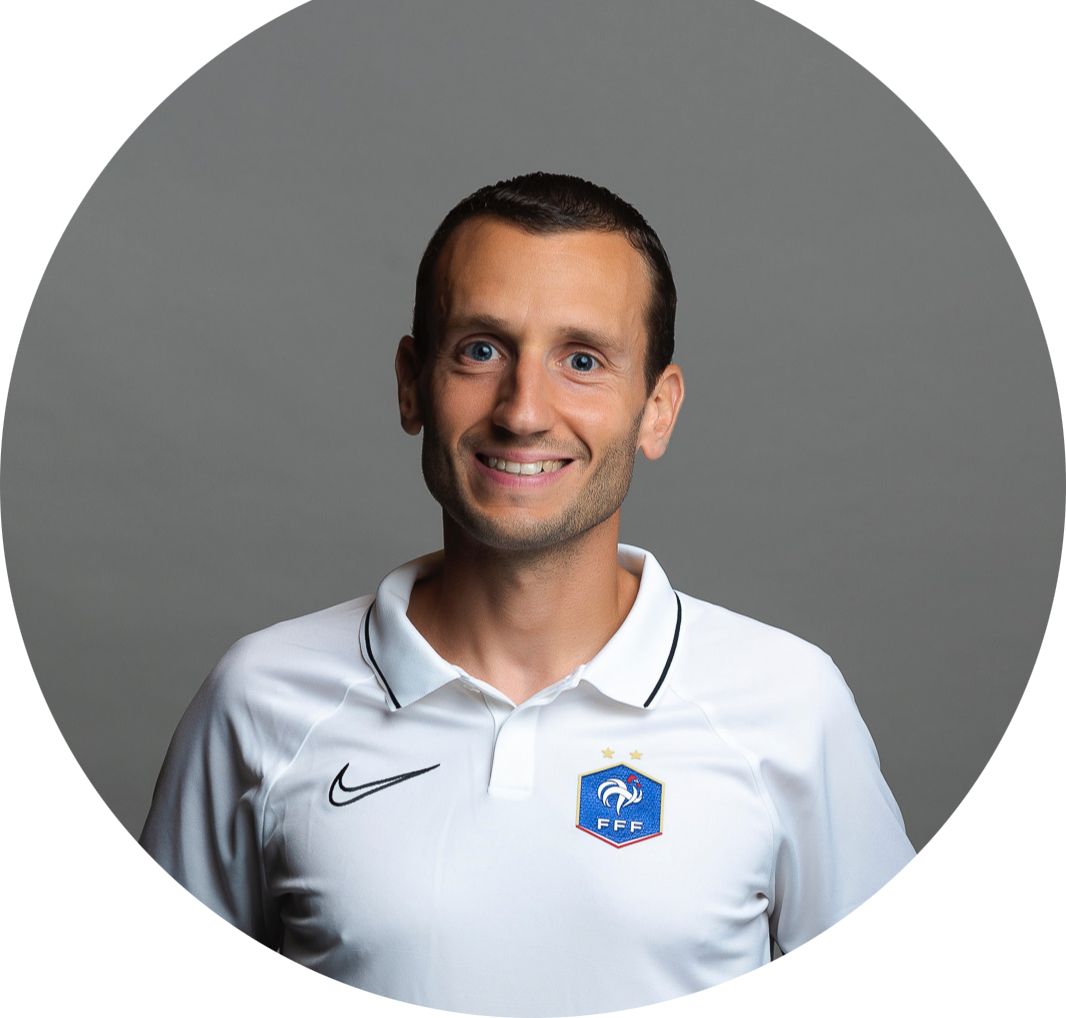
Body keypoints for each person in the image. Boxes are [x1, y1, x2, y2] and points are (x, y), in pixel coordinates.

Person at [140, 172, 915, 1012]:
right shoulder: (259, 699)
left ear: (657, 409)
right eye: (481, 350)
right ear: (412, 383)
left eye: (582, 361)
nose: (523, 412)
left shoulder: (788, 702)